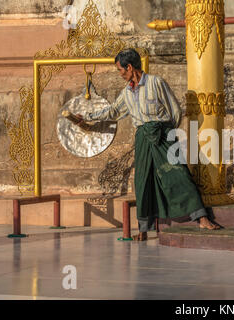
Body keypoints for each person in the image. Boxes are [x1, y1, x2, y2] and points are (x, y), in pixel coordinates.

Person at [76, 48, 220, 241]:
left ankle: (201, 218)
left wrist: (166, 133)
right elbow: (112, 112)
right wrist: (86, 118)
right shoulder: (126, 93)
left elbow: (175, 111)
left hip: (163, 135)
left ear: (129, 67)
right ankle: (144, 229)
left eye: (120, 70)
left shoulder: (156, 83)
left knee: (179, 173)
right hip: (143, 138)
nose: (120, 74)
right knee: (143, 181)